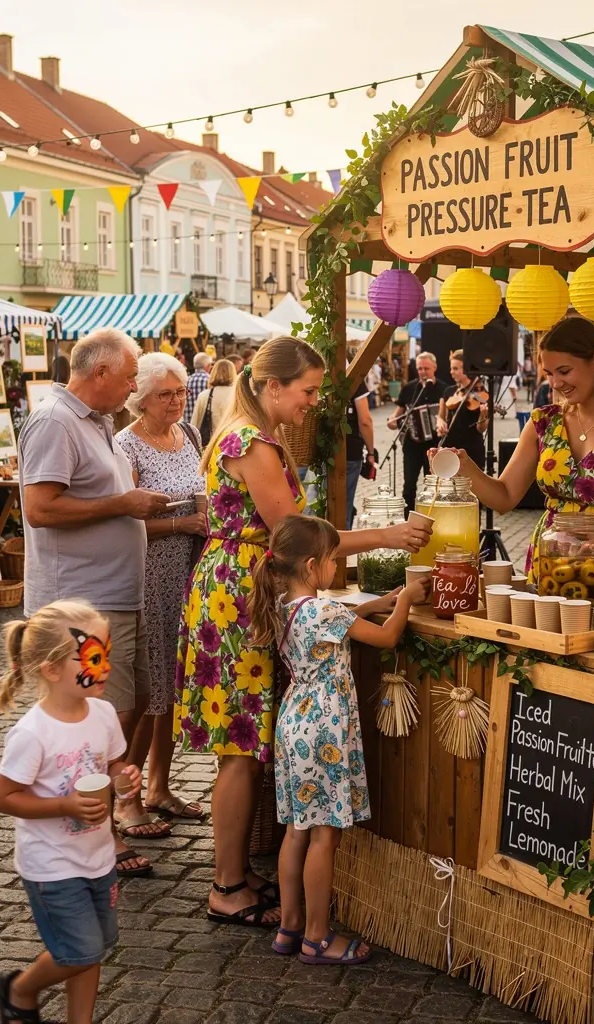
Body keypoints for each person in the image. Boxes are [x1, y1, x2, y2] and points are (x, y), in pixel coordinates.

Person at [174, 336, 431, 928]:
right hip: (239, 594)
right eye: (308, 391)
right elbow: (294, 535)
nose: (314, 402)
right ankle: (226, 885)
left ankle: (236, 870)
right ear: (272, 386)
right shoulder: (254, 442)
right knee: (239, 750)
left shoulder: (243, 432)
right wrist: (387, 536)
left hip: (236, 587)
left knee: (240, 743)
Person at [17, 328, 170, 874]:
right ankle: (94, 826)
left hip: (115, 593)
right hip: (79, 599)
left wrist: (127, 505)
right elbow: (39, 509)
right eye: (130, 375)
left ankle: (107, 812)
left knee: (131, 704)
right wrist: (122, 503)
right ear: (100, 372)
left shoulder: (98, 421)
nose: (134, 386)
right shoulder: (55, 421)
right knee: (108, 710)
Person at [248, 515, 426, 964]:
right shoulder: (323, 610)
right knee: (324, 837)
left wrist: (376, 601)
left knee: (296, 832)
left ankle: (290, 927)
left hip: (294, 725)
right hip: (323, 730)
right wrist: (404, 599)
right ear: (312, 566)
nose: (336, 566)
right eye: (333, 559)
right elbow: (386, 637)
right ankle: (318, 936)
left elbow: (339, 619)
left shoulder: (286, 604)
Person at [0, 600, 144, 1024]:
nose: (106, 667)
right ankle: (20, 988)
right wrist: (63, 805)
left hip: (97, 858)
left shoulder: (104, 712)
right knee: (80, 950)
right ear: (52, 669)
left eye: (107, 655)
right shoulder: (31, 734)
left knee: (95, 947)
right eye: (93, 657)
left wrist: (124, 779)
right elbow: (5, 797)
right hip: (52, 866)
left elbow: (113, 765)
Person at [435, 317, 594, 578]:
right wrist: (465, 468)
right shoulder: (544, 421)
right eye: (549, 374)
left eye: (564, 371)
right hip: (551, 568)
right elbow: (505, 497)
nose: (555, 383)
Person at [116, 354, 206, 821]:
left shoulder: (188, 435)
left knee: (170, 687)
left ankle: (159, 787)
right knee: (145, 690)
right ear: (140, 400)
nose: (176, 401)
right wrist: (180, 523)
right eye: (165, 395)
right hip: (148, 575)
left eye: (179, 392)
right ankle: (126, 798)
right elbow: (121, 525)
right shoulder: (125, 447)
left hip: (187, 572)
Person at [387, 352, 449, 516]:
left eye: (426, 368)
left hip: (435, 446)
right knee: (409, 486)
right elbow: (398, 413)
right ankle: (408, 520)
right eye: (420, 368)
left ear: (434, 368)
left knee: (433, 486)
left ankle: (433, 519)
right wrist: (392, 421)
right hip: (412, 444)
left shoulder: (444, 389)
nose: (422, 372)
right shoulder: (409, 388)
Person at [436, 349, 487, 469]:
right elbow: (440, 416)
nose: (451, 372)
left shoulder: (480, 394)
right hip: (450, 449)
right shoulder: (449, 391)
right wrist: (441, 423)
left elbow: (481, 429)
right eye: (451, 368)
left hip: (471, 451)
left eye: (455, 368)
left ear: (466, 369)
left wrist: (483, 414)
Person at [345, 381, 374, 528]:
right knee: (345, 505)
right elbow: (365, 420)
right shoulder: (355, 381)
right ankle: (341, 546)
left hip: (317, 452)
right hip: (350, 452)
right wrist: (371, 452)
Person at [191, 358, 237, 447]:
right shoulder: (238, 395)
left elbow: (194, 425)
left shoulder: (204, 395)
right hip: (232, 446)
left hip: (210, 447)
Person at [185, 352, 211, 421]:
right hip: (204, 425)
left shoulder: (186, 381)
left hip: (187, 425)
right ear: (208, 366)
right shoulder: (210, 380)